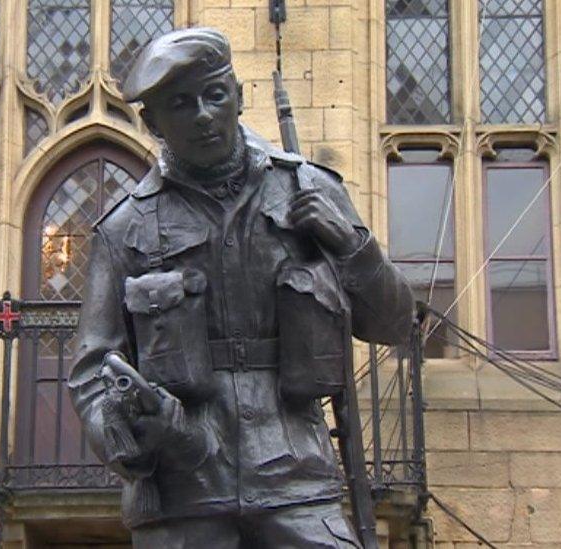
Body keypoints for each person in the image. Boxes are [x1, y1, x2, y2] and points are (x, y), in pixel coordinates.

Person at [69, 28, 414, 548]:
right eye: (181, 104)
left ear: (239, 95)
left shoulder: (311, 190)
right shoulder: (125, 229)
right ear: (152, 122)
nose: (204, 115)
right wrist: (127, 431)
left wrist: (350, 245)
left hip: (297, 480)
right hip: (182, 489)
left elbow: (393, 324)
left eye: (216, 94)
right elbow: (93, 372)